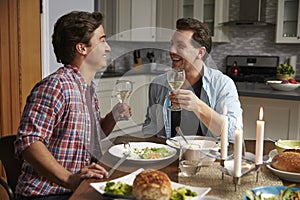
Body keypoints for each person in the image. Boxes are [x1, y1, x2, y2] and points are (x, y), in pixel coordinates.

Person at [14, 11, 131, 199]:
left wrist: (112, 117)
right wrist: (70, 179)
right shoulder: (56, 86)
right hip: (46, 194)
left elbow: (92, 139)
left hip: (75, 186)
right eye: (102, 40)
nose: (108, 48)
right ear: (82, 48)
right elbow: (29, 142)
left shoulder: (87, 88)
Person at [142, 18, 243, 140]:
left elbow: (232, 133)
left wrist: (198, 106)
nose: (171, 50)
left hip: (207, 157)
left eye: (180, 46)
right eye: (171, 44)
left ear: (200, 53)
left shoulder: (223, 84)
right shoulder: (158, 84)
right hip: (169, 154)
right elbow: (150, 127)